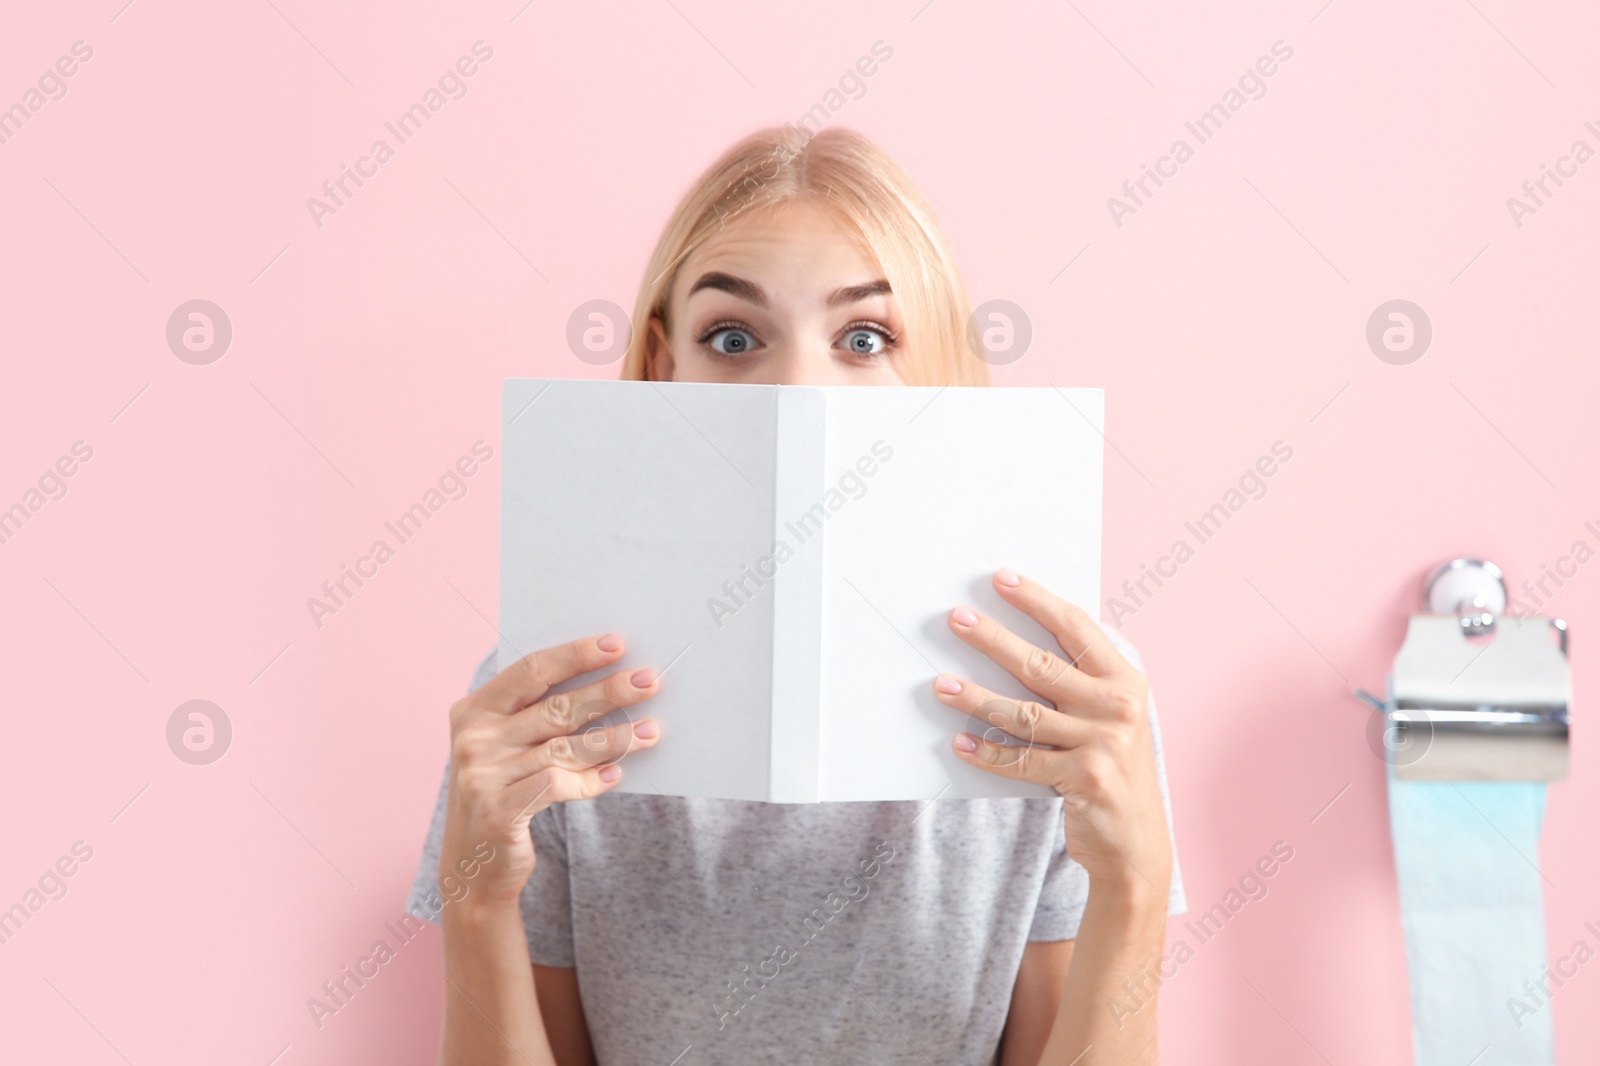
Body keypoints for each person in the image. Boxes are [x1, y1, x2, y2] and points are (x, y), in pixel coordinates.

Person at [407, 124, 1185, 1065]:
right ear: (664, 368)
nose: (795, 389)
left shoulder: (1063, 701)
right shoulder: (548, 698)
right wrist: (474, 894)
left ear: (932, 370)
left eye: (865, 337)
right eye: (733, 337)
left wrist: (1136, 886)